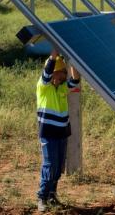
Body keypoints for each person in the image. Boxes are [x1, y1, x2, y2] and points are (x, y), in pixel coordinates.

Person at [36, 48, 80, 211]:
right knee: (49, 165)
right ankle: (42, 197)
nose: (62, 77)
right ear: (53, 73)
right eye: (59, 74)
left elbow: (75, 80)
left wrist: (73, 61)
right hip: (48, 134)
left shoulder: (62, 87)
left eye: (63, 74)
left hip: (62, 133)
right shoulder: (43, 86)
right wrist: (53, 56)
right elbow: (46, 73)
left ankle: (52, 194)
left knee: (59, 166)